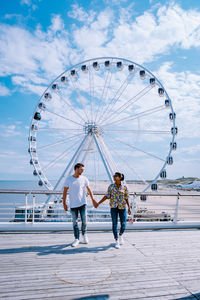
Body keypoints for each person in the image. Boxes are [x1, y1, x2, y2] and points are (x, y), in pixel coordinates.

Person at [94, 172, 131, 249]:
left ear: (120, 177)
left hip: (122, 207)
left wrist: (129, 207)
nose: (114, 177)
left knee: (123, 224)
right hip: (113, 207)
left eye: (116, 176)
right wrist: (98, 203)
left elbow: (126, 198)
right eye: (114, 176)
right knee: (114, 224)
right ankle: (116, 241)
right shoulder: (111, 187)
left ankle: (120, 235)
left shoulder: (125, 187)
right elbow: (107, 196)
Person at [62, 163, 96, 247]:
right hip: (73, 204)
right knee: (75, 222)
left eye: (83, 170)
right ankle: (76, 239)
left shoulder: (84, 179)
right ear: (76, 169)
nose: (83, 171)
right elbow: (65, 191)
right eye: (81, 169)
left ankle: (84, 235)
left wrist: (93, 200)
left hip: (83, 203)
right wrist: (64, 203)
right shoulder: (69, 179)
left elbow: (89, 190)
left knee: (84, 220)